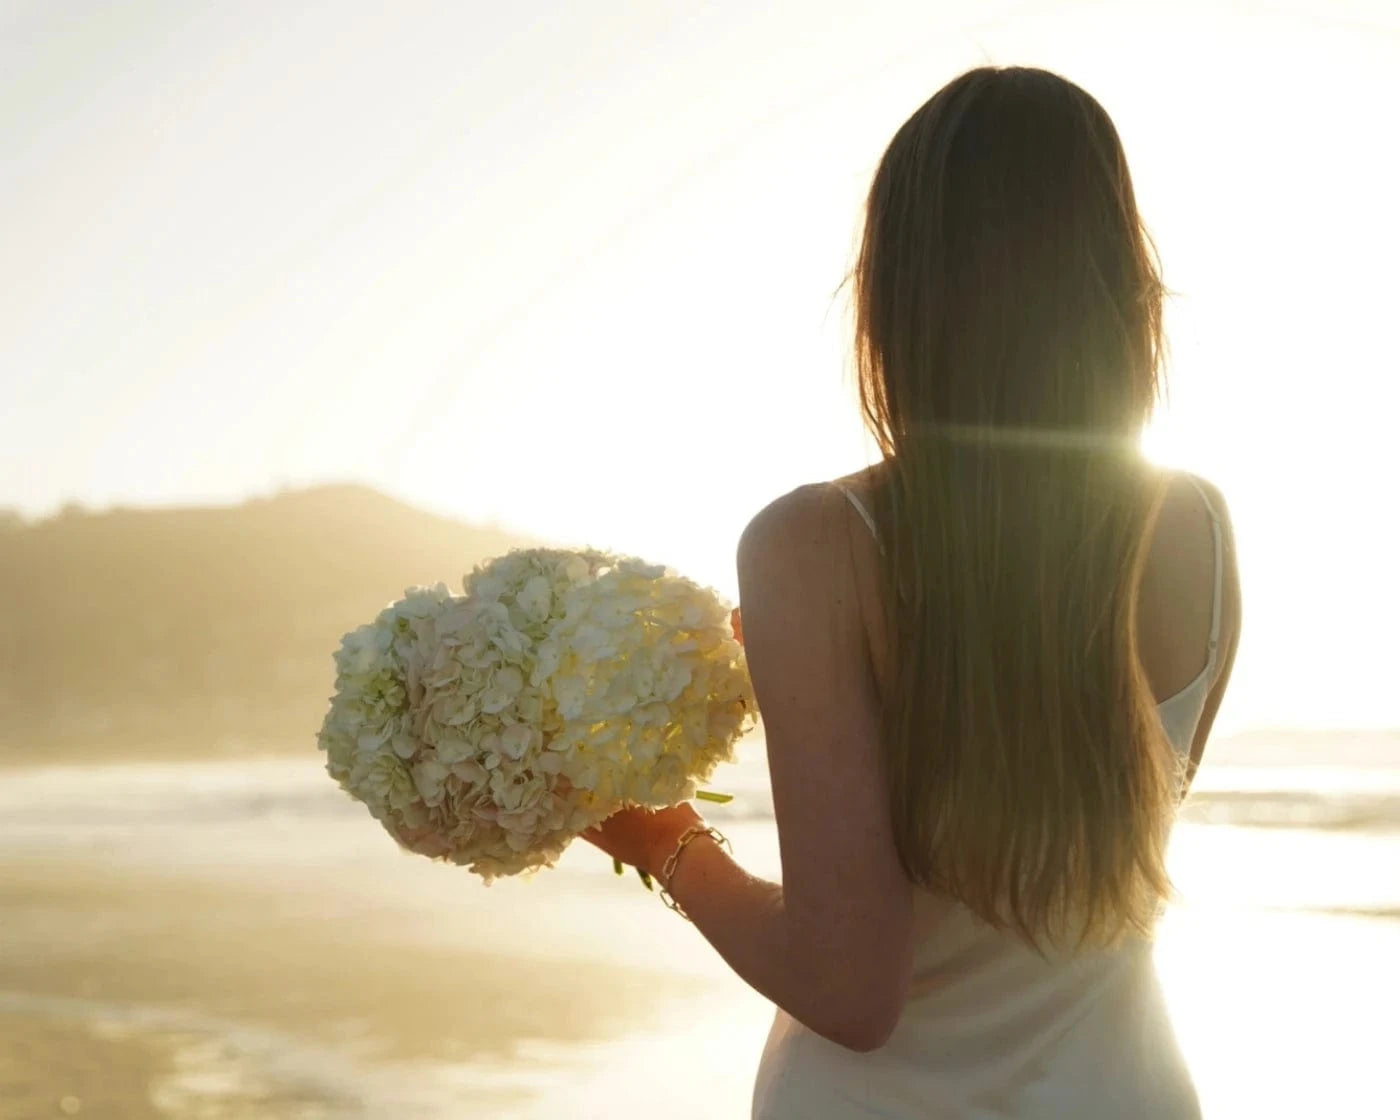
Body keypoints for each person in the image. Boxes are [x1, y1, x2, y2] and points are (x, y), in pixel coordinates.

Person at [583, 64, 1241, 1119]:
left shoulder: (814, 543)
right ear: (1119, 280)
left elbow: (849, 991)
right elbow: (1074, 834)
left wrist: (660, 839)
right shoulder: (1197, 527)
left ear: (894, 287)